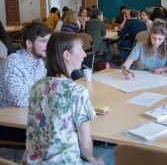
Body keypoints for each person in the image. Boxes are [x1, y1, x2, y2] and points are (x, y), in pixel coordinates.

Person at [21, 32, 104, 165]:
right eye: (81, 49)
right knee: (111, 153)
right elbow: (85, 144)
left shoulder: (37, 86)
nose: (84, 54)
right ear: (66, 55)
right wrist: (93, 159)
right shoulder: (77, 91)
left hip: (32, 162)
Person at [0, 23, 51, 108]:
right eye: (44, 41)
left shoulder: (40, 63)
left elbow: (44, 90)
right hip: (7, 114)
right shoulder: (13, 63)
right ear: (29, 43)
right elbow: (21, 100)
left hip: (29, 111)